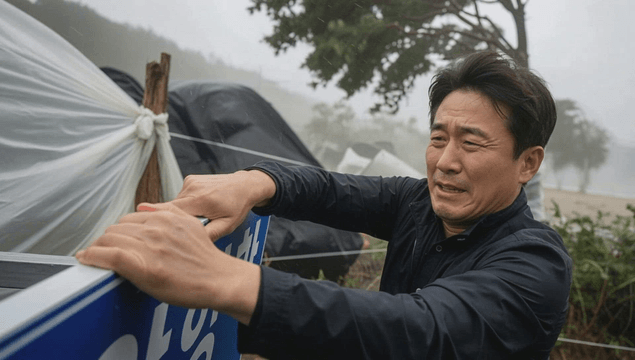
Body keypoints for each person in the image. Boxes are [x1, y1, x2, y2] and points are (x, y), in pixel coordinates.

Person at [76, 51, 572, 359]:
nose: (445, 162)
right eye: (438, 137)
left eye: (472, 143)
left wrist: (223, 277)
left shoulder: (533, 267)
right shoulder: (419, 203)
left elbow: (420, 332)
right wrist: (254, 181)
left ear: (527, 163)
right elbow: (331, 190)